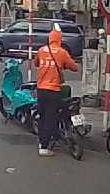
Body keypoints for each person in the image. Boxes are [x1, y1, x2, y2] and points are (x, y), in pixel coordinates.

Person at [33, 27, 79, 157]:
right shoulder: (62, 52)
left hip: (41, 89)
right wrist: (62, 65)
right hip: (53, 90)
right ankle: (44, 147)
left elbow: (36, 63)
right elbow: (75, 67)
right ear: (59, 40)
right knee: (50, 118)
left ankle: (42, 142)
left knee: (42, 117)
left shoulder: (42, 50)